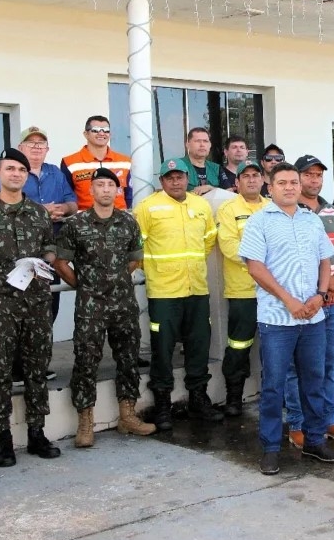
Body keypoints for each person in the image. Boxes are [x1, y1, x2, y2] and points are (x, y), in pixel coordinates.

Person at [239, 162, 334, 474]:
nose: (289, 187)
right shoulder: (259, 222)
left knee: (314, 381)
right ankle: (271, 448)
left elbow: (326, 260)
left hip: (312, 318)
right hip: (277, 320)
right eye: (282, 182)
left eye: (293, 182)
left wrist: (320, 295)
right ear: (269, 188)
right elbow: (255, 267)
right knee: (273, 386)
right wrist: (289, 301)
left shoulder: (312, 221)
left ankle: (313, 440)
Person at [0, 148, 60, 466]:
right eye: (9, 168)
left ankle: (36, 433)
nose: (16, 173)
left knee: (36, 370)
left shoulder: (39, 213)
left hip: (36, 303)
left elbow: (50, 251)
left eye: (21, 169)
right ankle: (3, 440)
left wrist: (42, 262)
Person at [55, 167, 155, 447]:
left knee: (128, 359)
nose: (106, 190)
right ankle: (85, 422)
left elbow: (135, 257)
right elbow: (61, 262)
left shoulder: (127, 222)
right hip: (91, 306)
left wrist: (119, 277)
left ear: (118, 191)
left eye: (111, 185)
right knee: (86, 360)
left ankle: (128, 415)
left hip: (123, 302)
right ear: (91, 191)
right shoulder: (76, 224)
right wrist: (83, 284)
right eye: (100, 185)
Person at [134, 159, 221, 429]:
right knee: (163, 348)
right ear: (162, 181)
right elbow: (136, 248)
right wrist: (159, 270)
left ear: (187, 178)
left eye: (180, 177)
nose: (175, 182)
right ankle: (162, 403)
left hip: (196, 287)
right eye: (169, 177)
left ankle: (198, 397)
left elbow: (208, 240)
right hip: (164, 291)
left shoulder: (201, 205)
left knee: (198, 344)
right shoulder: (148, 207)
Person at [0, 125, 79, 383]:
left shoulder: (55, 173)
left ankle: (37, 364)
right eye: (31, 144)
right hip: (16, 253)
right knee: (15, 311)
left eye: (41, 144)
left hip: (48, 251)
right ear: (21, 148)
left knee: (47, 309)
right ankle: (15, 368)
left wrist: (63, 208)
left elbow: (73, 202)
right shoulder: (6, 172)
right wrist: (40, 210)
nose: (37, 148)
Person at [284, 155, 334, 446]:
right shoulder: (287, 210)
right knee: (296, 369)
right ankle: (297, 424)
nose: (314, 180)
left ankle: (329, 420)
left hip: (333, 303)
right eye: (308, 175)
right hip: (303, 306)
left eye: (318, 175)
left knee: (330, 364)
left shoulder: (329, 210)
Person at [216, 160, 268, 416]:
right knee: (239, 345)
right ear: (236, 182)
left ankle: (275, 394)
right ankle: (234, 397)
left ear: (262, 180)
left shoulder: (273, 207)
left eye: (255, 175)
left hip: (272, 291)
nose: (250, 180)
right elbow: (228, 246)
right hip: (243, 292)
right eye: (244, 176)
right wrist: (263, 259)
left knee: (274, 346)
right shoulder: (228, 209)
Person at [61, 115, 133, 212]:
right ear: (86, 134)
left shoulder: (124, 161)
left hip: (118, 221)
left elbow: (129, 196)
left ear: (110, 134)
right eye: (95, 130)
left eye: (106, 130)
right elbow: (67, 197)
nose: (101, 133)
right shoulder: (70, 162)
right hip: (84, 222)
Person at [172, 126, 221, 196]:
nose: (202, 145)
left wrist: (211, 188)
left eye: (205, 141)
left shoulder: (217, 168)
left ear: (210, 145)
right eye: (198, 141)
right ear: (187, 145)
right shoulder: (178, 166)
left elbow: (228, 193)